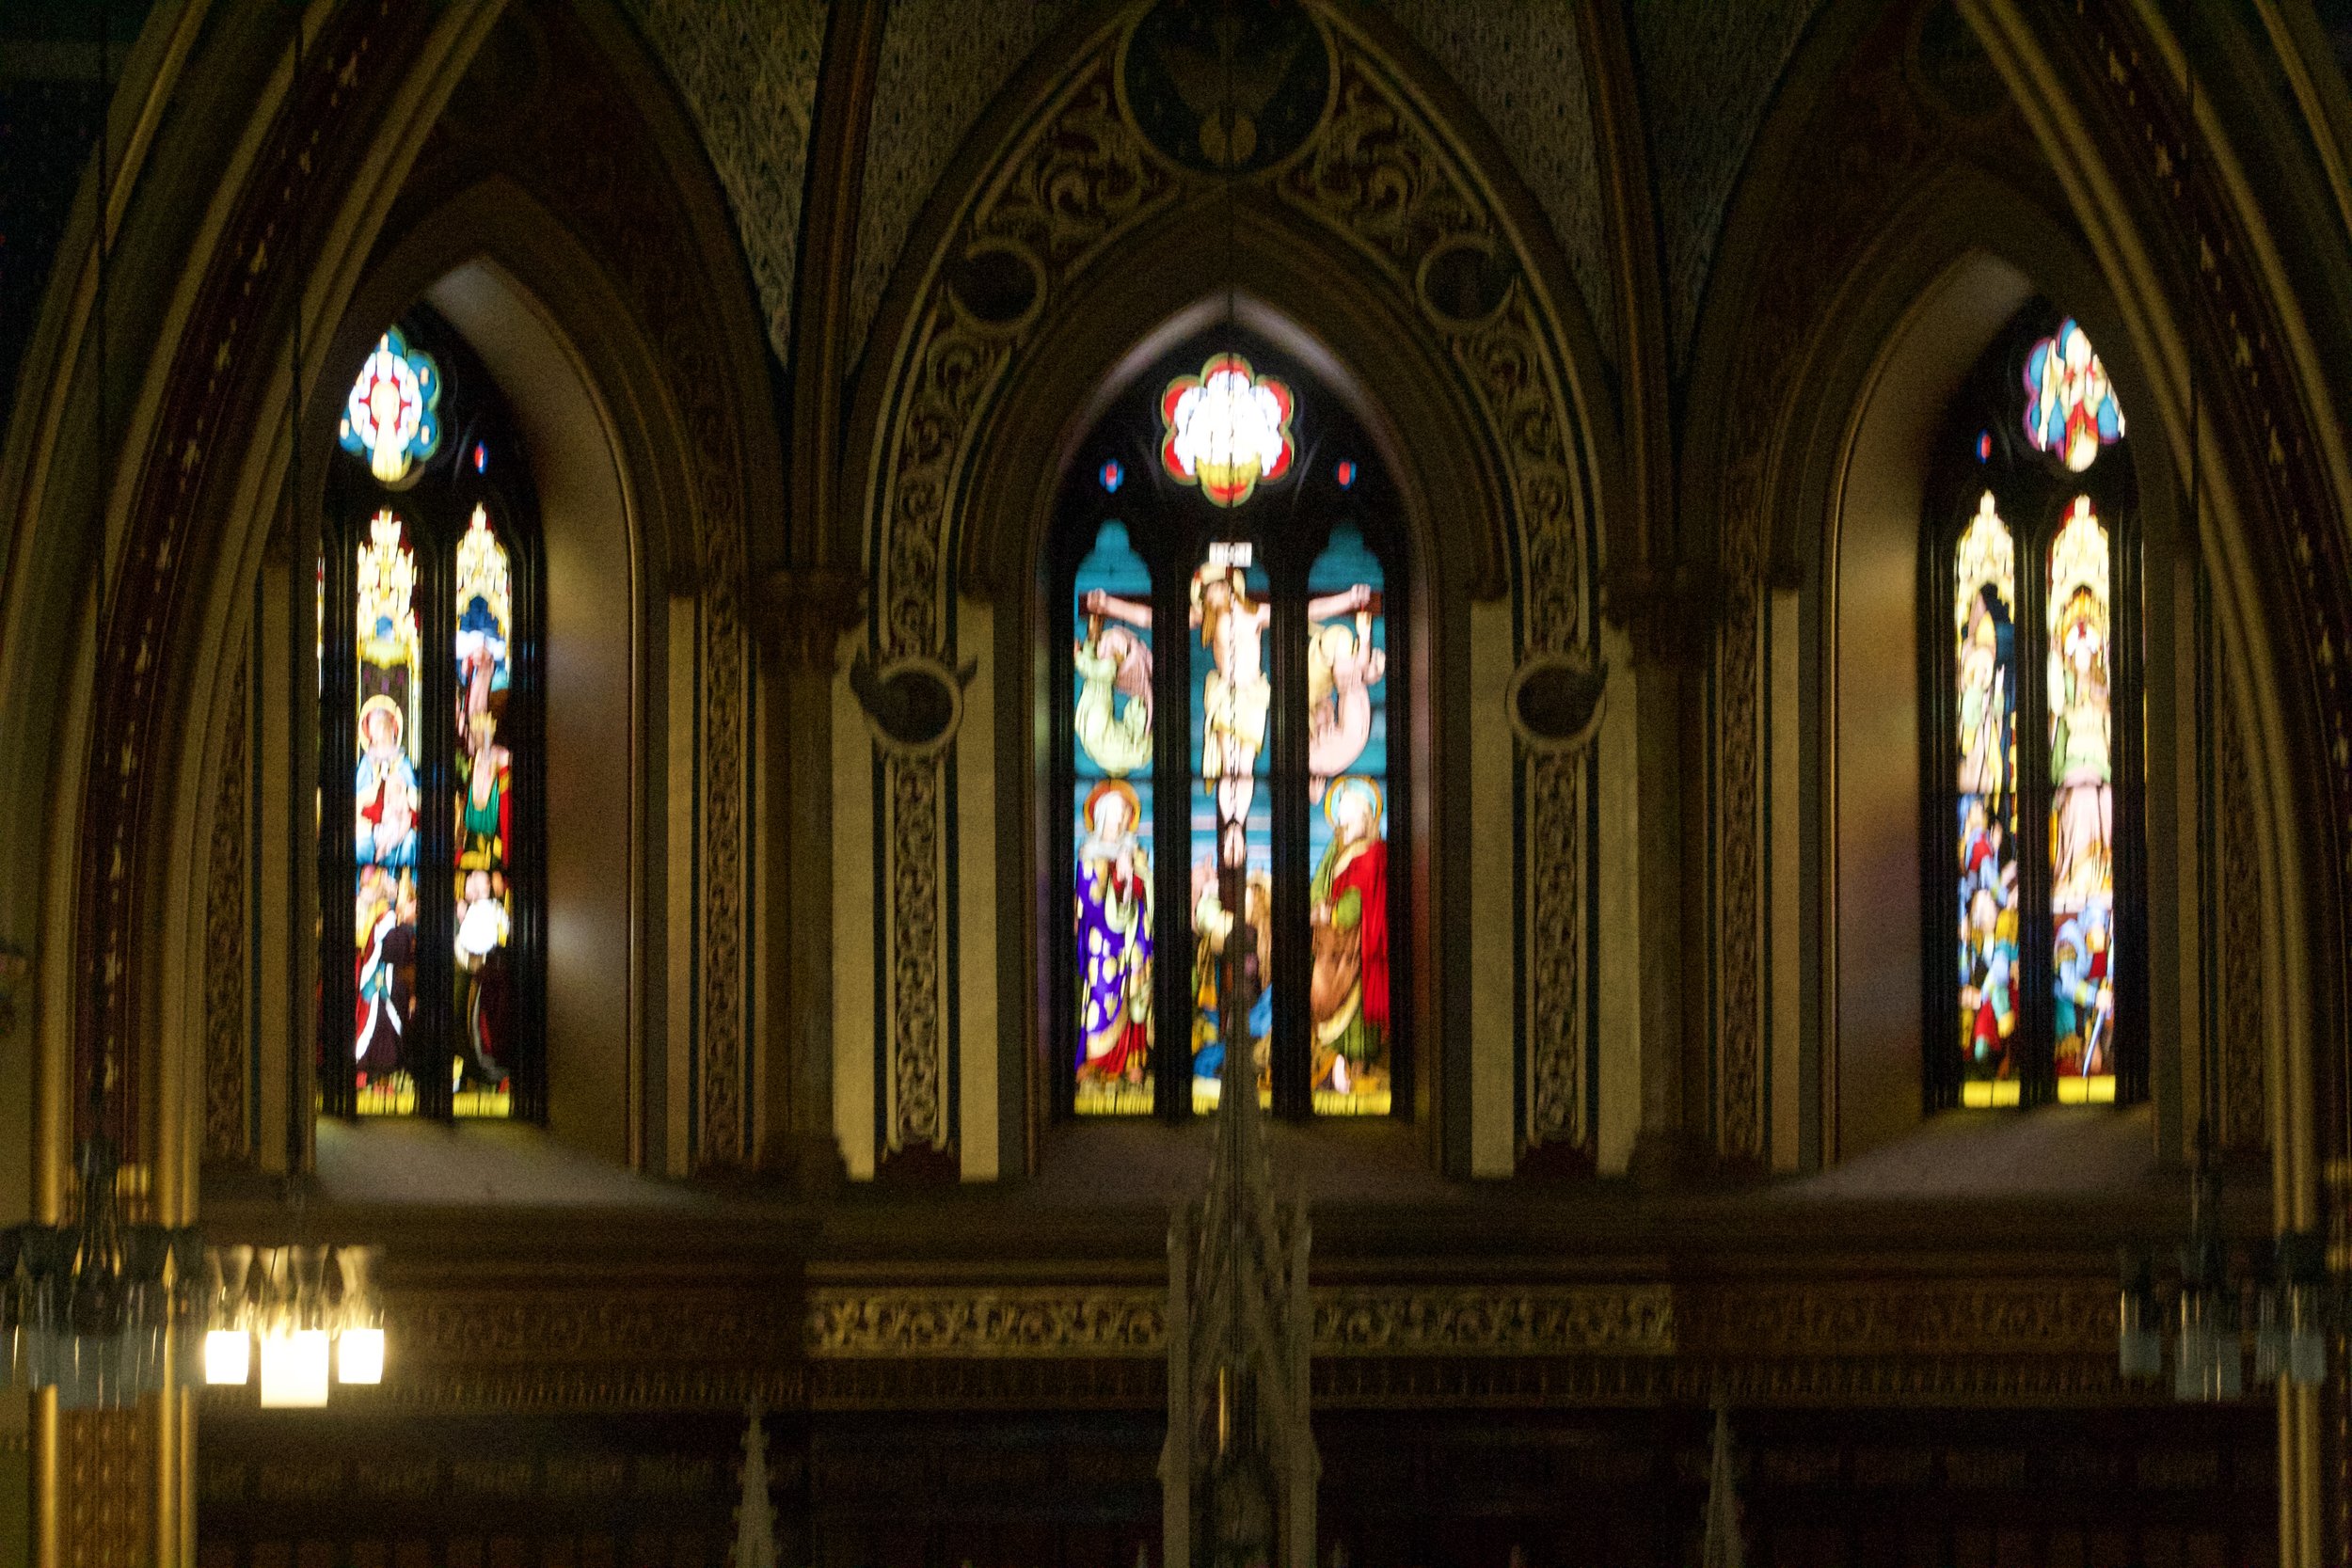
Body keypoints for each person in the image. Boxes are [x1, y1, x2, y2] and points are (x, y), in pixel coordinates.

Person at [1310, 776, 1389, 1097]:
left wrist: (1329, 914)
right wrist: (1333, 845)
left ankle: (1356, 1069)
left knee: (1353, 1019)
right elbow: (1318, 888)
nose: (1341, 820)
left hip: (1357, 950)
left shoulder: (1372, 854)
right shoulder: (1340, 852)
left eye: (1347, 813)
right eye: (1338, 814)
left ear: (1365, 816)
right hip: (1332, 950)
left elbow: (1355, 907)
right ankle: (1339, 1068)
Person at [1074, 780, 1152, 1085]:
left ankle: (1132, 1061)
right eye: (1115, 813)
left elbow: (1146, 896)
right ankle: (1095, 1061)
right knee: (1101, 995)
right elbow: (1089, 902)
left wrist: (1131, 880)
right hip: (1102, 944)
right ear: (1102, 816)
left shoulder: (1136, 854)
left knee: (1135, 998)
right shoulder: (1089, 857)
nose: (1120, 820)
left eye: (1124, 814)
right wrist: (1116, 880)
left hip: (1132, 939)